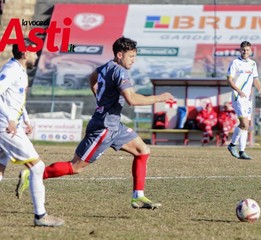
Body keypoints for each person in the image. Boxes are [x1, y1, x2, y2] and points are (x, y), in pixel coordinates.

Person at [16, 36, 174, 209]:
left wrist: (97, 94)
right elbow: (131, 99)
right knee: (76, 167)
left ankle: (138, 196)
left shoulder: (106, 66)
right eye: (131, 56)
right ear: (120, 55)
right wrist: (160, 97)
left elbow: (92, 77)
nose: (133, 61)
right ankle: (32, 175)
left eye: (135, 57)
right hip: (104, 128)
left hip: (114, 125)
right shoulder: (119, 72)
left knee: (143, 151)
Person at [0, 39, 64, 227]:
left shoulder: (19, 70)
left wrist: (25, 118)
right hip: (5, 126)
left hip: (10, 124)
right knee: (37, 167)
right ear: (26, 53)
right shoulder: (11, 70)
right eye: (35, 52)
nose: (37, 56)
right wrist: (11, 120)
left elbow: (13, 99)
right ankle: (40, 216)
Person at [226, 41, 261, 160]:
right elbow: (230, 80)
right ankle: (232, 145)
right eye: (243, 50)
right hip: (238, 97)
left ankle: (242, 151)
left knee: (246, 126)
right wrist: (239, 91)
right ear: (240, 50)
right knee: (244, 124)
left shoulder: (253, 64)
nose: (245, 52)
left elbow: (255, 79)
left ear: (250, 51)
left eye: (247, 50)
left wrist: (260, 90)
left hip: (248, 98)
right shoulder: (235, 63)